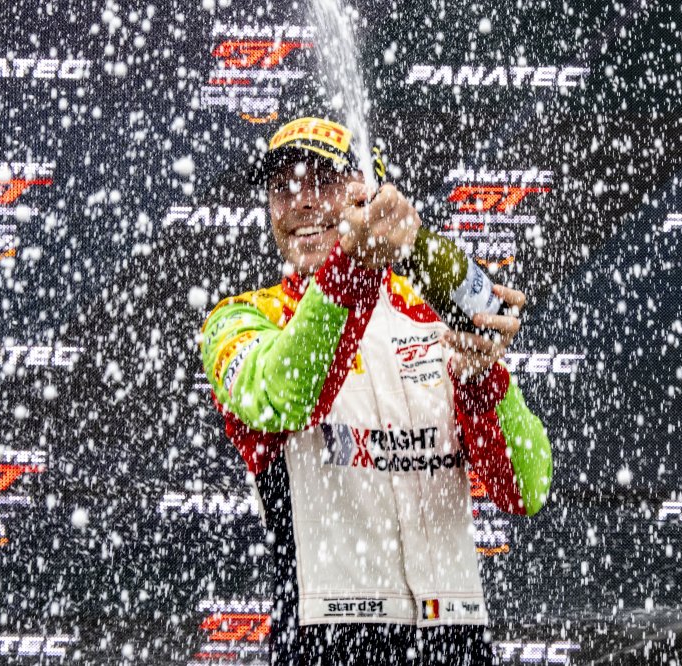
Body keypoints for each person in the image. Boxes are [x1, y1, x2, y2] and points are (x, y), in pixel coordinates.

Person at [199, 116, 553, 665]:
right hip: (327, 639)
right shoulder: (242, 320)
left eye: (323, 181)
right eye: (282, 187)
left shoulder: (435, 311)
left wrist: (483, 381)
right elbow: (284, 397)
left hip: (457, 636)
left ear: (373, 192)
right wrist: (351, 271)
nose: (301, 202)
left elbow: (526, 489)